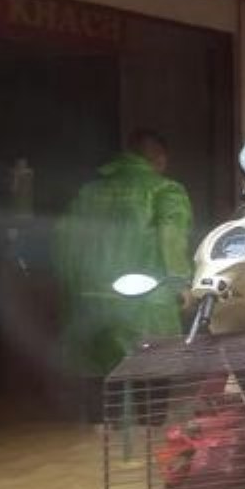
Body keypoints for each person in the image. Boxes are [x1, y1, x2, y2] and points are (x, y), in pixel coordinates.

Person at [53, 130, 193, 419]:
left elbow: (63, 241)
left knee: (103, 381)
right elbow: (171, 238)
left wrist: (73, 291)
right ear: (160, 159)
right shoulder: (165, 190)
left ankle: (96, 445)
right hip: (146, 303)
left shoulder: (88, 191)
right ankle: (148, 442)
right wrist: (182, 283)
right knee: (154, 372)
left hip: (92, 302)